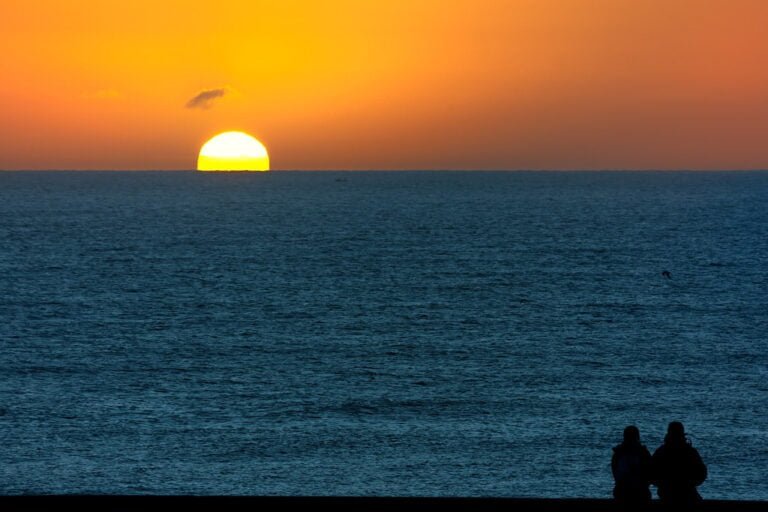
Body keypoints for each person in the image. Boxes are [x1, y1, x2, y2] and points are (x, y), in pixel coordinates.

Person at [651, 421, 707, 508]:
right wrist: (690, 483)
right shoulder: (691, 452)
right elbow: (702, 473)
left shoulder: (661, 452)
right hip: (688, 494)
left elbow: (650, 473)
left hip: (666, 495)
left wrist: (663, 484)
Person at [612, 425, 653, 510]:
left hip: (622, 492)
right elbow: (650, 473)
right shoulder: (644, 453)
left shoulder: (618, 453)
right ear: (637, 437)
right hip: (641, 493)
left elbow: (615, 472)